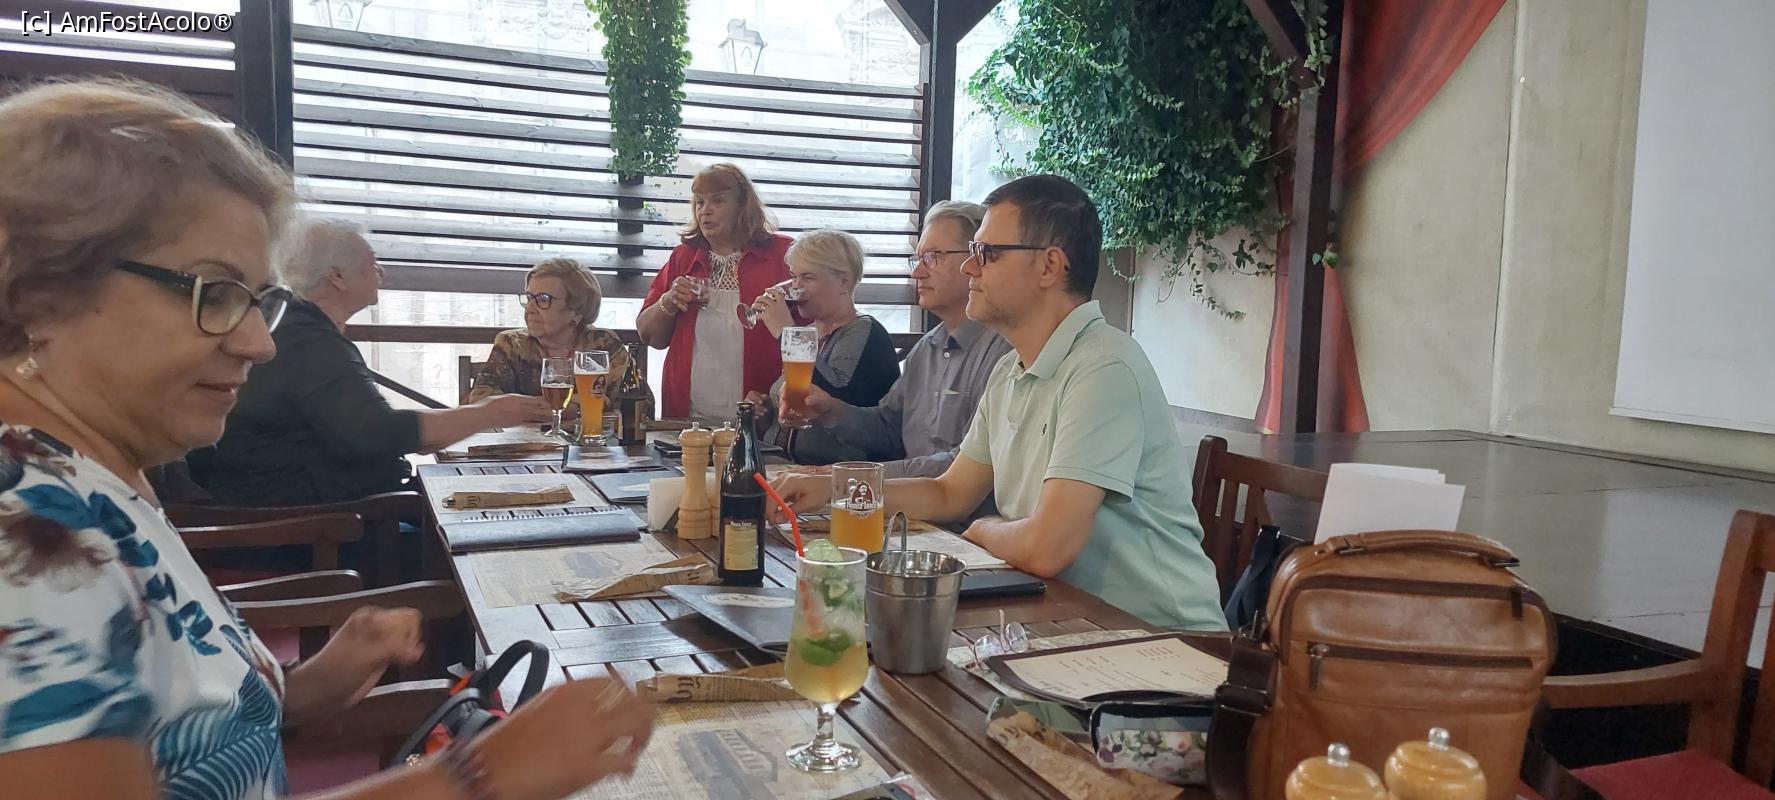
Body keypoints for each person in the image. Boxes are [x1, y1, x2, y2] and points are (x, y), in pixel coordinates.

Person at [0, 80, 652, 800]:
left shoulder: (92, 478)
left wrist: (304, 686)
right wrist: (474, 780)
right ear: (37, 295)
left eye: (259, 301)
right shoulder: (25, 536)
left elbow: (179, 721)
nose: (258, 343)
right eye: (213, 292)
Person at [784, 176, 1224, 631]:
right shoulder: (1011, 368)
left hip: (1159, 639)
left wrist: (983, 530)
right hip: (1064, 615)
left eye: (986, 253)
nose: (969, 268)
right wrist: (835, 490)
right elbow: (949, 493)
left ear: (1049, 266)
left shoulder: (1102, 367)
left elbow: (1045, 549)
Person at [197, 219, 552, 506]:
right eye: (371, 262)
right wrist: (488, 413)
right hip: (308, 532)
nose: (381, 272)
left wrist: (477, 416)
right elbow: (377, 434)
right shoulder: (308, 340)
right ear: (337, 277)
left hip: (319, 509)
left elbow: (372, 428)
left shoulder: (300, 328)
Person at [770, 202, 1009, 507]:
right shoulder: (927, 348)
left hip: (961, 521)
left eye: (933, 257)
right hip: (907, 512)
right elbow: (888, 430)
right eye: (917, 259)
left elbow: (961, 467)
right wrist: (831, 411)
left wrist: (844, 478)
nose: (918, 272)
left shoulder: (1004, 351)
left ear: (976, 261)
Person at [635, 163, 794, 421]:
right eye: (699, 202)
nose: (705, 211)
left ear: (742, 205)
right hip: (688, 419)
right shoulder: (683, 257)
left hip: (761, 415)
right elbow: (649, 336)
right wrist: (669, 302)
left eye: (717, 201)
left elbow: (813, 335)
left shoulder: (782, 254)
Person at [752, 229, 900, 462]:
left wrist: (786, 332)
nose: (796, 287)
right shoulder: (808, 333)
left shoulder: (863, 330)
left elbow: (829, 396)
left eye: (808, 278)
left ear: (844, 282)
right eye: (794, 277)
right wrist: (765, 414)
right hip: (785, 466)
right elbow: (795, 407)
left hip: (836, 473)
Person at [468, 257, 632, 411]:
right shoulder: (512, 344)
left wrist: (523, 407)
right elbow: (481, 401)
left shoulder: (602, 345)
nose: (530, 308)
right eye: (529, 298)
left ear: (576, 310)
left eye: (543, 299)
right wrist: (568, 405)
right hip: (525, 434)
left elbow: (630, 403)